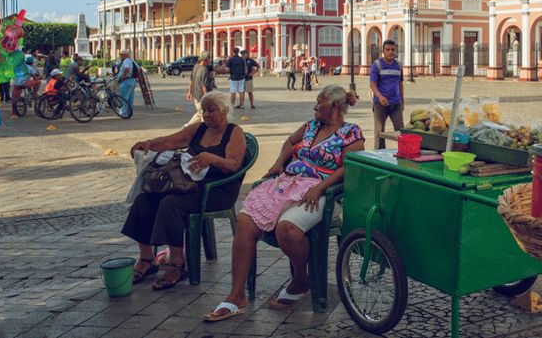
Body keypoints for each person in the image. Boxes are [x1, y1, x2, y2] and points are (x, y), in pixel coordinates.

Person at [203, 85, 363, 321]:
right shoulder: (310, 126)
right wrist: (280, 162)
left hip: (321, 193)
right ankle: (236, 296)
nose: (315, 106)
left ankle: (301, 279)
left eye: (319, 102)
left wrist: (320, 187)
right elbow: (289, 142)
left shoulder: (351, 133)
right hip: (287, 184)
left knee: (287, 228)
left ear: (334, 106)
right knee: (244, 221)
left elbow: (347, 167)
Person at [123, 91, 247, 290]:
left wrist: (212, 159)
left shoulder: (234, 132)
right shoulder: (199, 129)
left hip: (217, 191)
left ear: (224, 111)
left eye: (211, 110)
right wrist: (149, 144)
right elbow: (170, 141)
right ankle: (147, 259)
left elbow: (233, 165)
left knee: (170, 203)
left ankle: (177, 264)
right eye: (204, 110)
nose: (206, 114)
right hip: (189, 185)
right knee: (144, 199)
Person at [370, 40, 405, 149]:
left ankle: (404, 151)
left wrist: (402, 101)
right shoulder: (377, 65)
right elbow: (372, 84)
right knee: (379, 131)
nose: (390, 52)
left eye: (392, 50)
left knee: (401, 130)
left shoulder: (398, 65)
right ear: (383, 51)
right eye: (388, 50)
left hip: (396, 104)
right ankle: (379, 155)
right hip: (380, 105)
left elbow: (400, 84)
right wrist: (380, 97)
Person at [186, 51, 211, 126]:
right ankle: (204, 129)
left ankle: (188, 125)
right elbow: (204, 85)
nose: (210, 60)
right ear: (205, 59)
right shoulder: (204, 69)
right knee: (203, 114)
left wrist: (190, 92)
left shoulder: (196, 66)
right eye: (209, 58)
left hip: (195, 94)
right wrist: (206, 97)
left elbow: (191, 80)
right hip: (201, 96)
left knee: (200, 113)